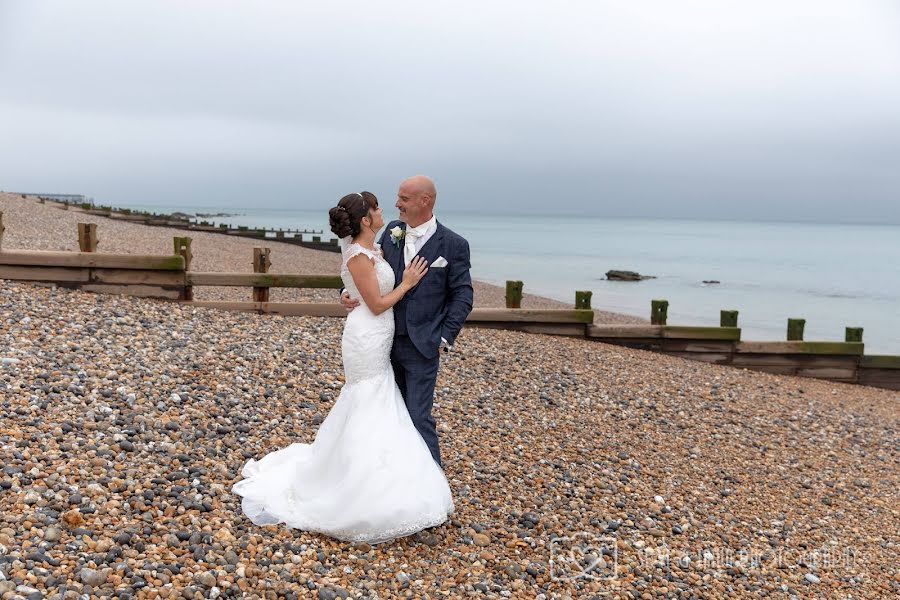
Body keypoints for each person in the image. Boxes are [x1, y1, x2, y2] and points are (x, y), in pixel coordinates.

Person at [232, 191, 455, 543]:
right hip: (367, 335)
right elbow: (378, 303)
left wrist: (346, 293)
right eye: (378, 208)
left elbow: (361, 285)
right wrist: (408, 283)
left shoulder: (377, 246)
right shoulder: (357, 253)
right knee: (369, 399)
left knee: (382, 400)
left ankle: (389, 479)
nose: (384, 211)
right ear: (366, 219)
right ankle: (360, 487)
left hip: (380, 336)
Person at [340, 175, 474, 467]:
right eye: (398, 197)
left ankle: (432, 486)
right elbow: (367, 271)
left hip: (422, 346)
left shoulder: (454, 245)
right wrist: (346, 293)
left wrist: (444, 338)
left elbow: (463, 296)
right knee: (387, 415)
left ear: (424, 201)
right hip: (380, 343)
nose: (397, 204)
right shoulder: (391, 231)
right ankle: (386, 478)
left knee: (417, 416)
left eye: (404, 199)